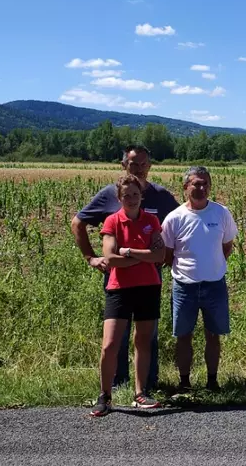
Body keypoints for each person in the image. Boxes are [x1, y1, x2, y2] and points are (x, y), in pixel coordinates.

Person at [72, 145, 178, 389]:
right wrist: (90, 257)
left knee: (147, 336)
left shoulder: (161, 196)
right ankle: (117, 384)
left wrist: (170, 257)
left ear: (150, 166)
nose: (139, 168)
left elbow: (180, 224)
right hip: (117, 278)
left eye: (143, 164)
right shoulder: (110, 194)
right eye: (133, 164)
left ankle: (148, 384)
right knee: (116, 336)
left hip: (150, 278)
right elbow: (77, 223)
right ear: (123, 165)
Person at [90, 174, 165, 416]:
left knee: (142, 341)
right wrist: (143, 256)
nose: (131, 199)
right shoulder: (112, 221)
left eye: (135, 194)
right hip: (119, 289)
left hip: (148, 287)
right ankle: (105, 395)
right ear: (119, 198)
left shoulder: (151, 221)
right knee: (109, 344)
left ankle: (140, 393)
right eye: (126, 195)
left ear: (141, 195)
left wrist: (129, 252)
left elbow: (159, 256)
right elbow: (110, 259)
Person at [161, 166, 237, 391]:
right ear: (186, 187)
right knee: (184, 336)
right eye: (196, 184)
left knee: (214, 335)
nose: (201, 188)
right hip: (184, 286)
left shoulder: (221, 213)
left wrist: (211, 266)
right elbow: (167, 254)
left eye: (205, 183)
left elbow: (227, 246)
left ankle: (212, 382)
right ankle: (184, 383)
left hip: (215, 285)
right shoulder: (174, 218)